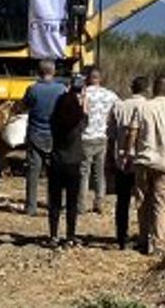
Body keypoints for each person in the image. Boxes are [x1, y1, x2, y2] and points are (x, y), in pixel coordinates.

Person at [126, 76, 165, 255]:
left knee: (143, 201)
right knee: (160, 204)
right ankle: (159, 244)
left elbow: (132, 133)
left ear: (153, 89)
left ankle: (143, 239)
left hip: (144, 161)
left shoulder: (143, 108)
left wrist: (128, 153)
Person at [108, 75, 150, 250]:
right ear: (146, 89)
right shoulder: (149, 108)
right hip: (142, 158)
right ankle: (144, 235)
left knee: (122, 199)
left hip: (122, 159)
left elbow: (110, 134)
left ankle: (121, 236)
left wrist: (111, 157)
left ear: (131, 88)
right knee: (144, 199)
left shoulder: (119, 106)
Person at [21, 59, 66, 216]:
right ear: (53, 72)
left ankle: (31, 206)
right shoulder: (61, 89)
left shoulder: (33, 89)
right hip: (55, 135)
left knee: (33, 172)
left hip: (35, 134)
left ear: (38, 72)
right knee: (55, 174)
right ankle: (54, 205)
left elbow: (24, 106)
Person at [47, 76, 87, 246]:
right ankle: (70, 235)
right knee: (72, 202)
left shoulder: (55, 121)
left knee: (55, 202)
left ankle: (53, 234)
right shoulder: (78, 122)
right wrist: (83, 106)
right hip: (73, 163)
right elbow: (85, 121)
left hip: (56, 161)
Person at [77, 66, 119, 216]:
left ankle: (81, 204)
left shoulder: (83, 94)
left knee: (84, 173)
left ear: (88, 78)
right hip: (102, 137)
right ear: (100, 78)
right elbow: (119, 112)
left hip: (85, 137)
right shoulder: (110, 95)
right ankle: (99, 202)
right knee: (100, 172)